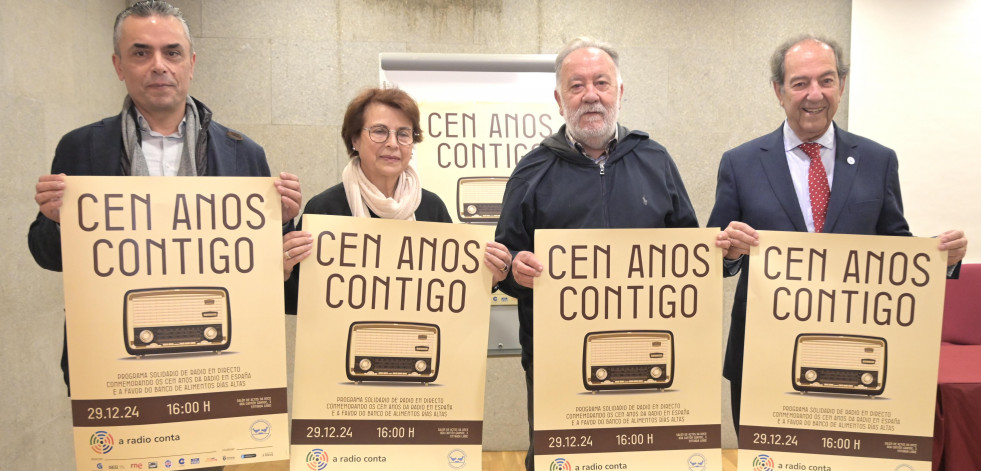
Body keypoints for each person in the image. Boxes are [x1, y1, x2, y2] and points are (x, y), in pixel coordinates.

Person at [28, 0, 302, 396]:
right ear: (119, 65)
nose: (159, 65)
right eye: (141, 52)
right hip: (115, 361)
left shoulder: (244, 153)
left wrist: (283, 226)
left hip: (216, 359)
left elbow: (268, 270)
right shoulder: (81, 148)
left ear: (190, 63)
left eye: (171, 52)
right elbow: (47, 256)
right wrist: (54, 220)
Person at [707, 35, 968, 433]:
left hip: (852, 349)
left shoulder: (878, 161)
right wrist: (729, 251)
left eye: (826, 81)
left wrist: (938, 258)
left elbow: (893, 245)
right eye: (800, 83)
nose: (815, 94)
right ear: (779, 91)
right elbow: (715, 258)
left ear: (842, 85)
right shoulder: (740, 163)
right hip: (762, 352)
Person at [494, 37, 700, 470]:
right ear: (559, 98)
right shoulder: (532, 171)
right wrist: (516, 271)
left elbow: (690, 253)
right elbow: (504, 261)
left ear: (620, 92)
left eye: (601, 83)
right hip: (559, 359)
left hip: (646, 352)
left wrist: (726, 255)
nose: (590, 95)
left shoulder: (656, 160)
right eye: (577, 85)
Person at [282, 87, 512, 311]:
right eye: (380, 131)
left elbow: (452, 295)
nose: (392, 143)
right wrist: (282, 269)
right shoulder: (325, 209)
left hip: (416, 344)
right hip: (344, 346)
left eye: (403, 134)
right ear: (355, 139)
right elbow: (297, 302)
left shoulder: (431, 209)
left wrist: (489, 279)